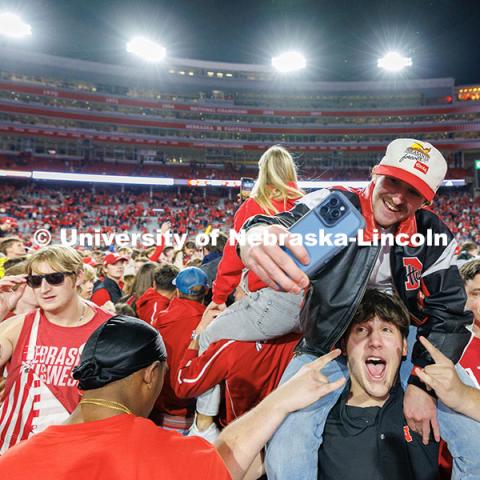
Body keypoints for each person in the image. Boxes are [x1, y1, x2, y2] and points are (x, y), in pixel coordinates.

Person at [238, 138, 476, 478]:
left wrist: (423, 386)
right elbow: (276, 225)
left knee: (473, 436)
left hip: (405, 341)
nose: (397, 197)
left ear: (425, 200)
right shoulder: (336, 206)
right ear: (375, 174)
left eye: (412, 191)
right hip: (328, 342)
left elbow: (450, 314)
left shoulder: (431, 233)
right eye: (393, 180)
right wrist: (254, 236)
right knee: (287, 447)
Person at [0, 315, 346, 480]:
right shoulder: (157, 453)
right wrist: (282, 399)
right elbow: (226, 459)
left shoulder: (12, 461)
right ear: (150, 374)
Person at [191, 144, 305, 436]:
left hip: (273, 301)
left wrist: (217, 299)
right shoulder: (308, 203)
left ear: (262, 172)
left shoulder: (253, 208)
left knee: (208, 336)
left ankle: (204, 425)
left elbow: (231, 259)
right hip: (310, 305)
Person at [0, 245, 112, 452]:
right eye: (36, 281)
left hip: (77, 453)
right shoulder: (20, 326)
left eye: (55, 278)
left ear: (78, 276)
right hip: (14, 454)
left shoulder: (110, 328)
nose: (44, 289)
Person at [318, 290, 439, 480]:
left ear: (405, 346)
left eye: (386, 330)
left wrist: (458, 395)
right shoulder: (317, 418)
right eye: (362, 330)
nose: (375, 342)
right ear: (344, 345)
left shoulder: (428, 408)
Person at [150, 267, 208, 433]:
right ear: (206, 291)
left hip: (158, 408)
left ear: (177, 290)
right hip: (193, 415)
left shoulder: (160, 320)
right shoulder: (211, 323)